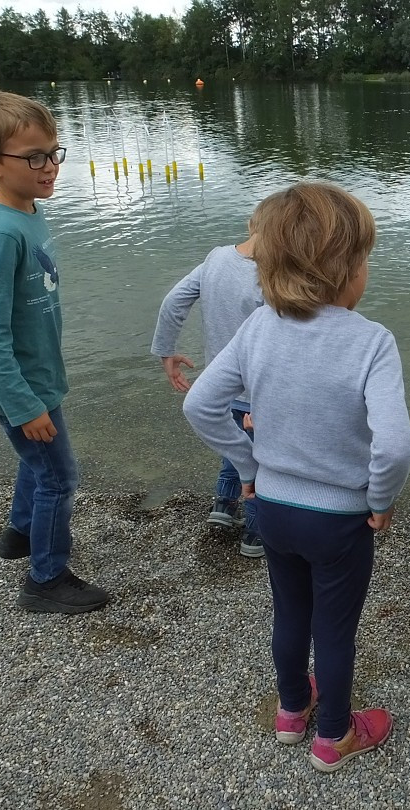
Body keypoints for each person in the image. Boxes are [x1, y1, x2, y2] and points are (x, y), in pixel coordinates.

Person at [183, 182, 410, 772]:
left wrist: (248, 467)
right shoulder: (372, 342)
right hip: (339, 521)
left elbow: (201, 406)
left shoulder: (258, 327)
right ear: (345, 272)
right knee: (334, 629)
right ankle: (334, 736)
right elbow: (393, 445)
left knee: (289, 612)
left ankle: (292, 711)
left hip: (273, 510)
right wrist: (381, 500)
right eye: (363, 259)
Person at [0, 87, 110, 613]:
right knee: (58, 475)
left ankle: (19, 534)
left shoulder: (26, 211)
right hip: (20, 385)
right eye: (35, 157)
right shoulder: (2, 231)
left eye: (54, 153)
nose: (50, 167)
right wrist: (25, 405)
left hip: (34, 375)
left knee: (36, 461)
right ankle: (45, 579)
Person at [151, 209, 267, 558]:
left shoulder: (216, 258)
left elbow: (174, 301)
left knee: (232, 447)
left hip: (219, 385)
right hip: (257, 391)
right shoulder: (275, 275)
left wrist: (166, 351)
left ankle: (223, 505)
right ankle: (255, 533)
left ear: (250, 224)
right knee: (258, 459)